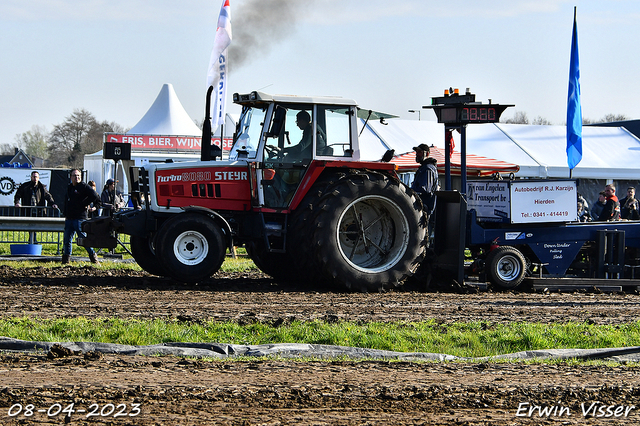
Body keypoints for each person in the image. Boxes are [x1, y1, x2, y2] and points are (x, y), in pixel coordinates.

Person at [62, 169, 101, 264]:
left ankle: (93, 257)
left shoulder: (84, 186)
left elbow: (94, 196)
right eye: (74, 175)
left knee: (83, 239)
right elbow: (67, 201)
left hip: (80, 217)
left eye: (78, 175)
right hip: (69, 218)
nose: (77, 177)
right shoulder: (70, 187)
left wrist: (85, 203)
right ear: (71, 177)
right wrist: (65, 214)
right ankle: (66, 260)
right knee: (67, 240)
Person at [411, 143, 439, 234]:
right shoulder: (425, 168)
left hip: (424, 209)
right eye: (416, 152)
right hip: (424, 209)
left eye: (419, 152)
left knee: (422, 235)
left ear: (426, 154)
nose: (417, 154)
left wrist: (412, 191)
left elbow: (425, 189)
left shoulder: (427, 169)